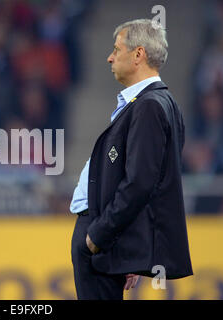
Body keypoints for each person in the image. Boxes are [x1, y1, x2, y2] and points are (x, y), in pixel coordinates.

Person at [70, 19, 193, 300]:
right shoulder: (162, 103)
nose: (110, 57)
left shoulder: (148, 106)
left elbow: (139, 183)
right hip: (113, 237)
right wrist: (129, 243)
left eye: (116, 49)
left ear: (138, 55)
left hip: (100, 234)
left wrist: (97, 236)